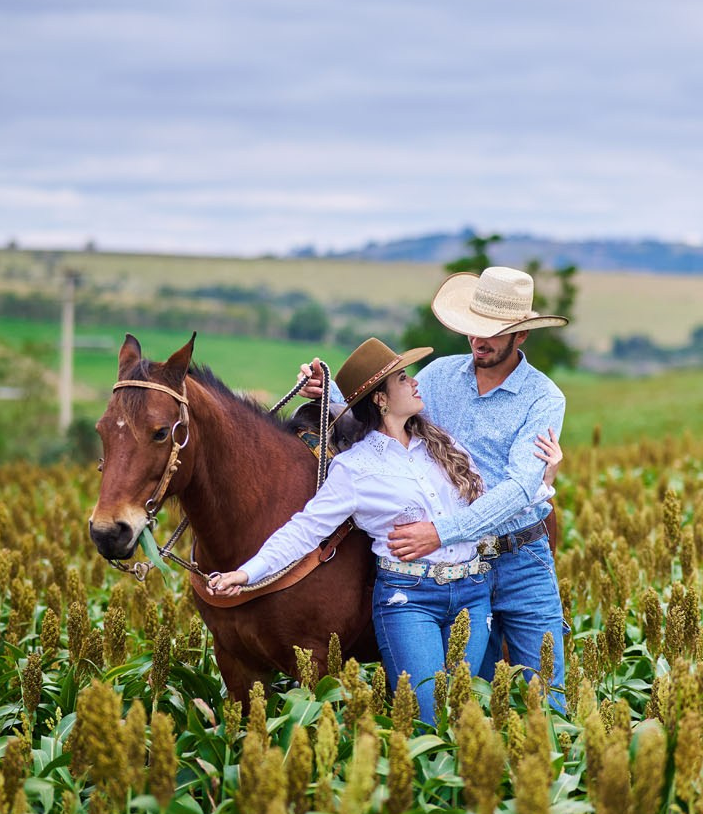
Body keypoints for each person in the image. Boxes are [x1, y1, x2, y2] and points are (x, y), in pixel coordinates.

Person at [207, 336, 561, 723]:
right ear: (380, 399)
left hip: (472, 595)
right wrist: (247, 573)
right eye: (403, 378)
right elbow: (305, 530)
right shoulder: (354, 469)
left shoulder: (443, 446)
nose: (416, 382)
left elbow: (484, 502)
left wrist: (540, 483)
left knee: (461, 716)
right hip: (411, 597)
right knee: (426, 718)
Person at [300, 266, 569, 711]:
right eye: (473, 328)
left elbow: (521, 487)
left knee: (548, 698)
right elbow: (389, 409)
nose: (478, 340)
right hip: (457, 570)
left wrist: (441, 531)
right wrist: (334, 396)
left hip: (521, 559)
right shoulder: (441, 376)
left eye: (492, 332)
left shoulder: (543, 397)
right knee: (466, 705)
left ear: (520, 335)